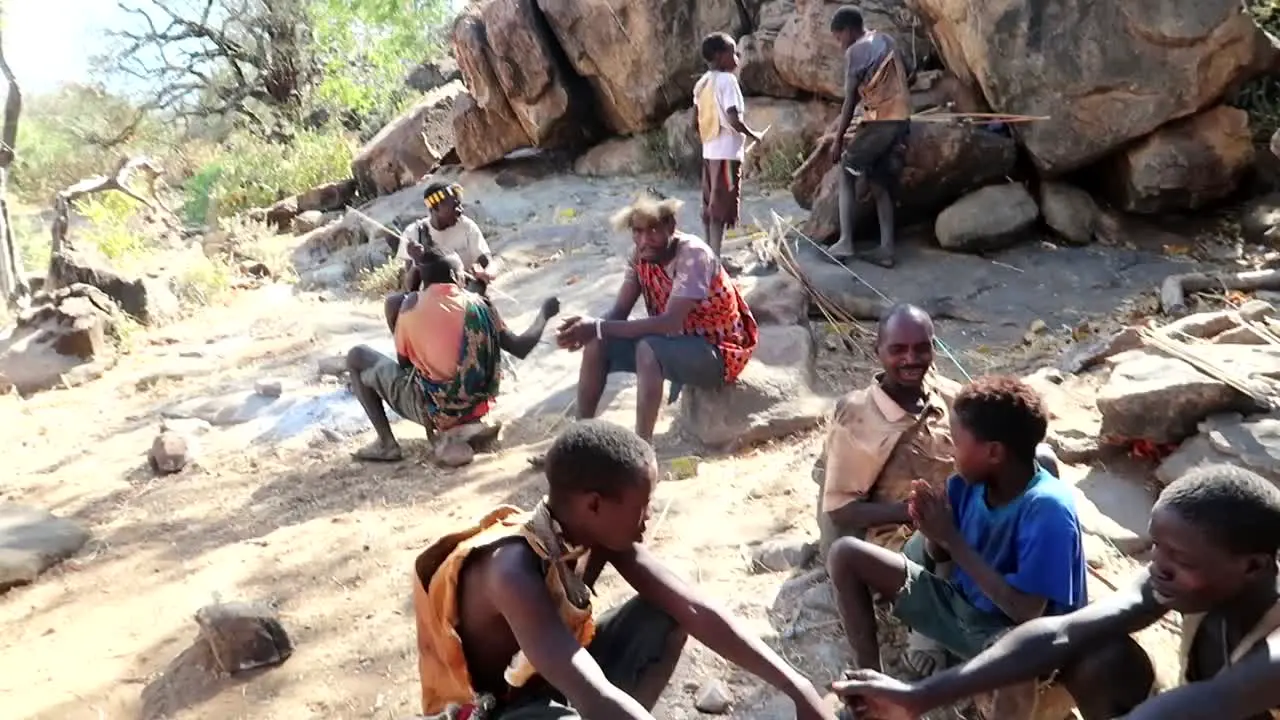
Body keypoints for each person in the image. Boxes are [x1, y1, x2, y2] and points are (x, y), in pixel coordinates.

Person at [413, 420, 838, 720]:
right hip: (509, 709)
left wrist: (797, 687)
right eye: (642, 506)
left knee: (664, 614)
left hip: (557, 681)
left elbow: (695, 608)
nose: (648, 518)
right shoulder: (511, 570)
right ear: (593, 504)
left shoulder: (590, 532)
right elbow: (591, 694)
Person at [833, 463, 1280, 720]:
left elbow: (1215, 701)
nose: (1157, 567)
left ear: (1254, 567)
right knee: (1100, 656)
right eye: (1156, 547)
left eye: (1179, 559)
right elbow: (1061, 633)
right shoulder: (1178, 580)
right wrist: (920, 696)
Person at [827, 375, 1083, 718]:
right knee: (845, 554)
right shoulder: (967, 484)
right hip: (965, 611)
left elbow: (1026, 613)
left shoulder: (1047, 507)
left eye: (957, 441)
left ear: (993, 452)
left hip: (1020, 639)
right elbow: (939, 557)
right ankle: (872, 690)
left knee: (1013, 658)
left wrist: (952, 538)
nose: (950, 449)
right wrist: (932, 529)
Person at [554, 194, 759, 443]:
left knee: (647, 348)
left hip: (718, 352)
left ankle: (642, 449)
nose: (644, 240)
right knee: (598, 342)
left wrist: (597, 326)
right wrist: (585, 329)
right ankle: (579, 438)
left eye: (653, 230)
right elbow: (619, 312)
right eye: (637, 232)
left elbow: (670, 322)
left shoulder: (693, 255)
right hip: (676, 343)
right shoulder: (640, 257)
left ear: (671, 226)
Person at [346, 245, 558, 462]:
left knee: (356, 356)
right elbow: (520, 347)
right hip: (477, 407)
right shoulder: (481, 306)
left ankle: (387, 444)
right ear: (456, 276)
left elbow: (404, 364)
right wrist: (544, 314)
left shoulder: (409, 308)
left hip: (437, 413)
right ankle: (467, 429)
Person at [827, 7, 912, 269]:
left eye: (839, 37)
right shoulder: (886, 40)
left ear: (850, 30)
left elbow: (850, 100)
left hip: (881, 122)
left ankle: (846, 241)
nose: (840, 44)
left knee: (846, 171)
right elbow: (910, 72)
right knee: (878, 181)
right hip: (901, 120)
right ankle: (886, 249)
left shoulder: (856, 50)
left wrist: (838, 138)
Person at [692, 32, 763, 257]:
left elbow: (694, 121)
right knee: (720, 209)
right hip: (726, 155)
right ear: (720, 56)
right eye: (733, 52)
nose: (737, 56)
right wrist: (754, 134)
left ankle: (711, 256)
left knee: (710, 206)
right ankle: (716, 263)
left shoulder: (702, 83)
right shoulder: (728, 81)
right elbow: (734, 119)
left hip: (710, 153)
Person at [395, 182, 496, 294]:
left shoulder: (466, 226)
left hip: (465, 293)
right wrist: (417, 262)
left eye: (460, 205)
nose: (460, 210)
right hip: (431, 297)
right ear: (435, 208)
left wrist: (488, 272)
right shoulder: (414, 233)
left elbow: (487, 261)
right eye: (455, 206)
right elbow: (409, 287)